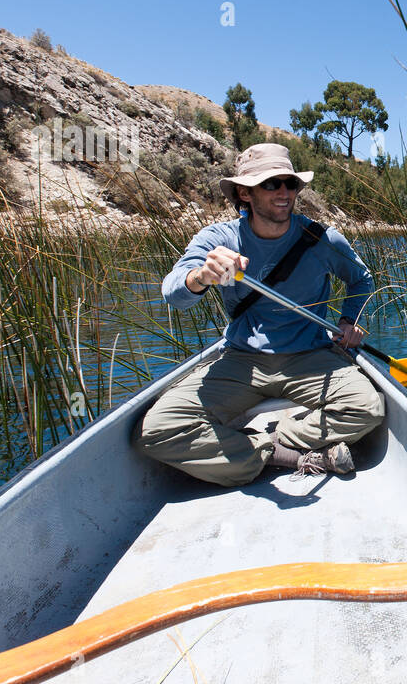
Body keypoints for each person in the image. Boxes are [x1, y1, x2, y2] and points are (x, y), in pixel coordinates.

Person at [135, 142, 386, 486]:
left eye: (290, 183)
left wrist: (348, 320)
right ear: (244, 192)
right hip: (242, 360)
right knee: (158, 431)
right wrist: (202, 277)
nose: (283, 192)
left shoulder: (321, 238)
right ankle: (286, 456)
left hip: (310, 357)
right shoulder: (218, 239)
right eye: (271, 184)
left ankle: (275, 441)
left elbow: (361, 277)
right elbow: (174, 293)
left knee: (368, 408)